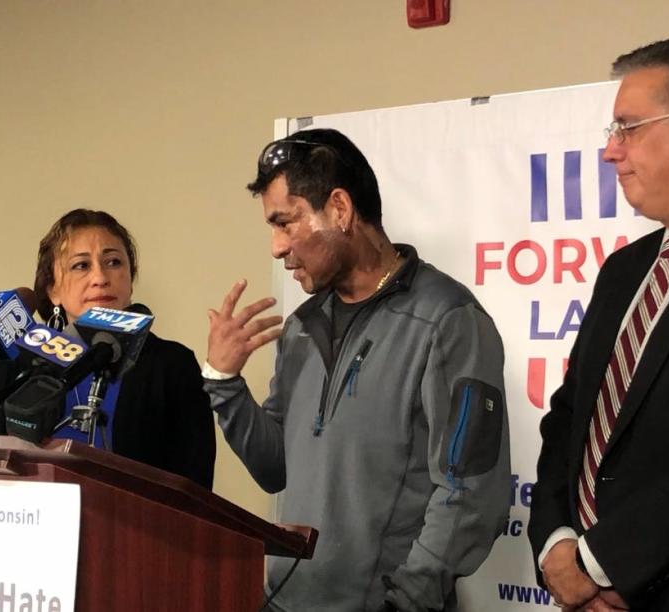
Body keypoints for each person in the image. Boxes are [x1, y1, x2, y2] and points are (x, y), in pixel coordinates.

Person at [203, 128, 510, 611]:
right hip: (284, 601)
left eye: (286, 223)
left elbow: (471, 495)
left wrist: (406, 602)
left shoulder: (447, 320)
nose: (276, 247)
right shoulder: (303, 326)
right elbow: (275, 469)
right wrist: (224, 383)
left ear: (340, 210)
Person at [528, 35, 669, 612]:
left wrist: (601, 563)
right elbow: (571, 416)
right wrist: (555, 544)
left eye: (628, 128)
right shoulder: (626, 270)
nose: (610, 152)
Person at [33, 208, 215, 489]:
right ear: (52, 290)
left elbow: (193, 487)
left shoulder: (172, 365)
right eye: (81, 265)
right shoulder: (30, 368)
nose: (100, 278)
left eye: (114, 262)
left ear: (131, 278)